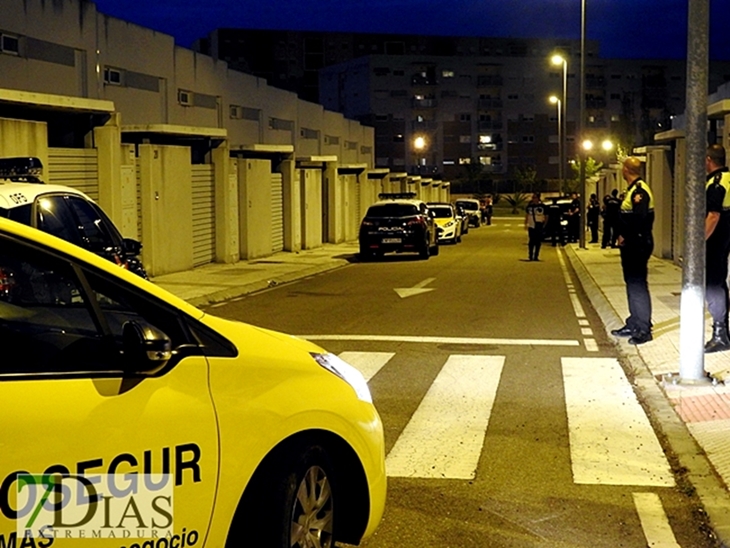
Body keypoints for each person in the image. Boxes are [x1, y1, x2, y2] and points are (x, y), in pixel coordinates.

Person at [610, 156, 654, 345]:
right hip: (632, 244)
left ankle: (643, 328)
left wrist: (624, 236)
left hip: (637, 243)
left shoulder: (639, 191)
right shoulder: (632, 190)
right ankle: (634, 322)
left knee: (637, 285)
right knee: (632, 283)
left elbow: (639, 219)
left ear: (626, 170)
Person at [703, 144, 730, 353]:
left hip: (718, 237)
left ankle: (720, 335)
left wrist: (699, 241)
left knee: (714, 283)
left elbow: (713, 215)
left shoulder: (715, 183)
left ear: (709, 160)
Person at [524, 192, 548, 261]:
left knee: (538, 241)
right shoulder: (529, 206)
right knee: (531, 241)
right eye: (533, 198)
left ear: (538, 198)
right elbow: (527, 215)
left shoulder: (542, 206)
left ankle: (536, 256)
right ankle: (530, 255)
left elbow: (546, 216)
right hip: (531, 225)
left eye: (534, 198)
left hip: (539, 225)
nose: (533, 199)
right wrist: (526, 223)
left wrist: (544, 224)